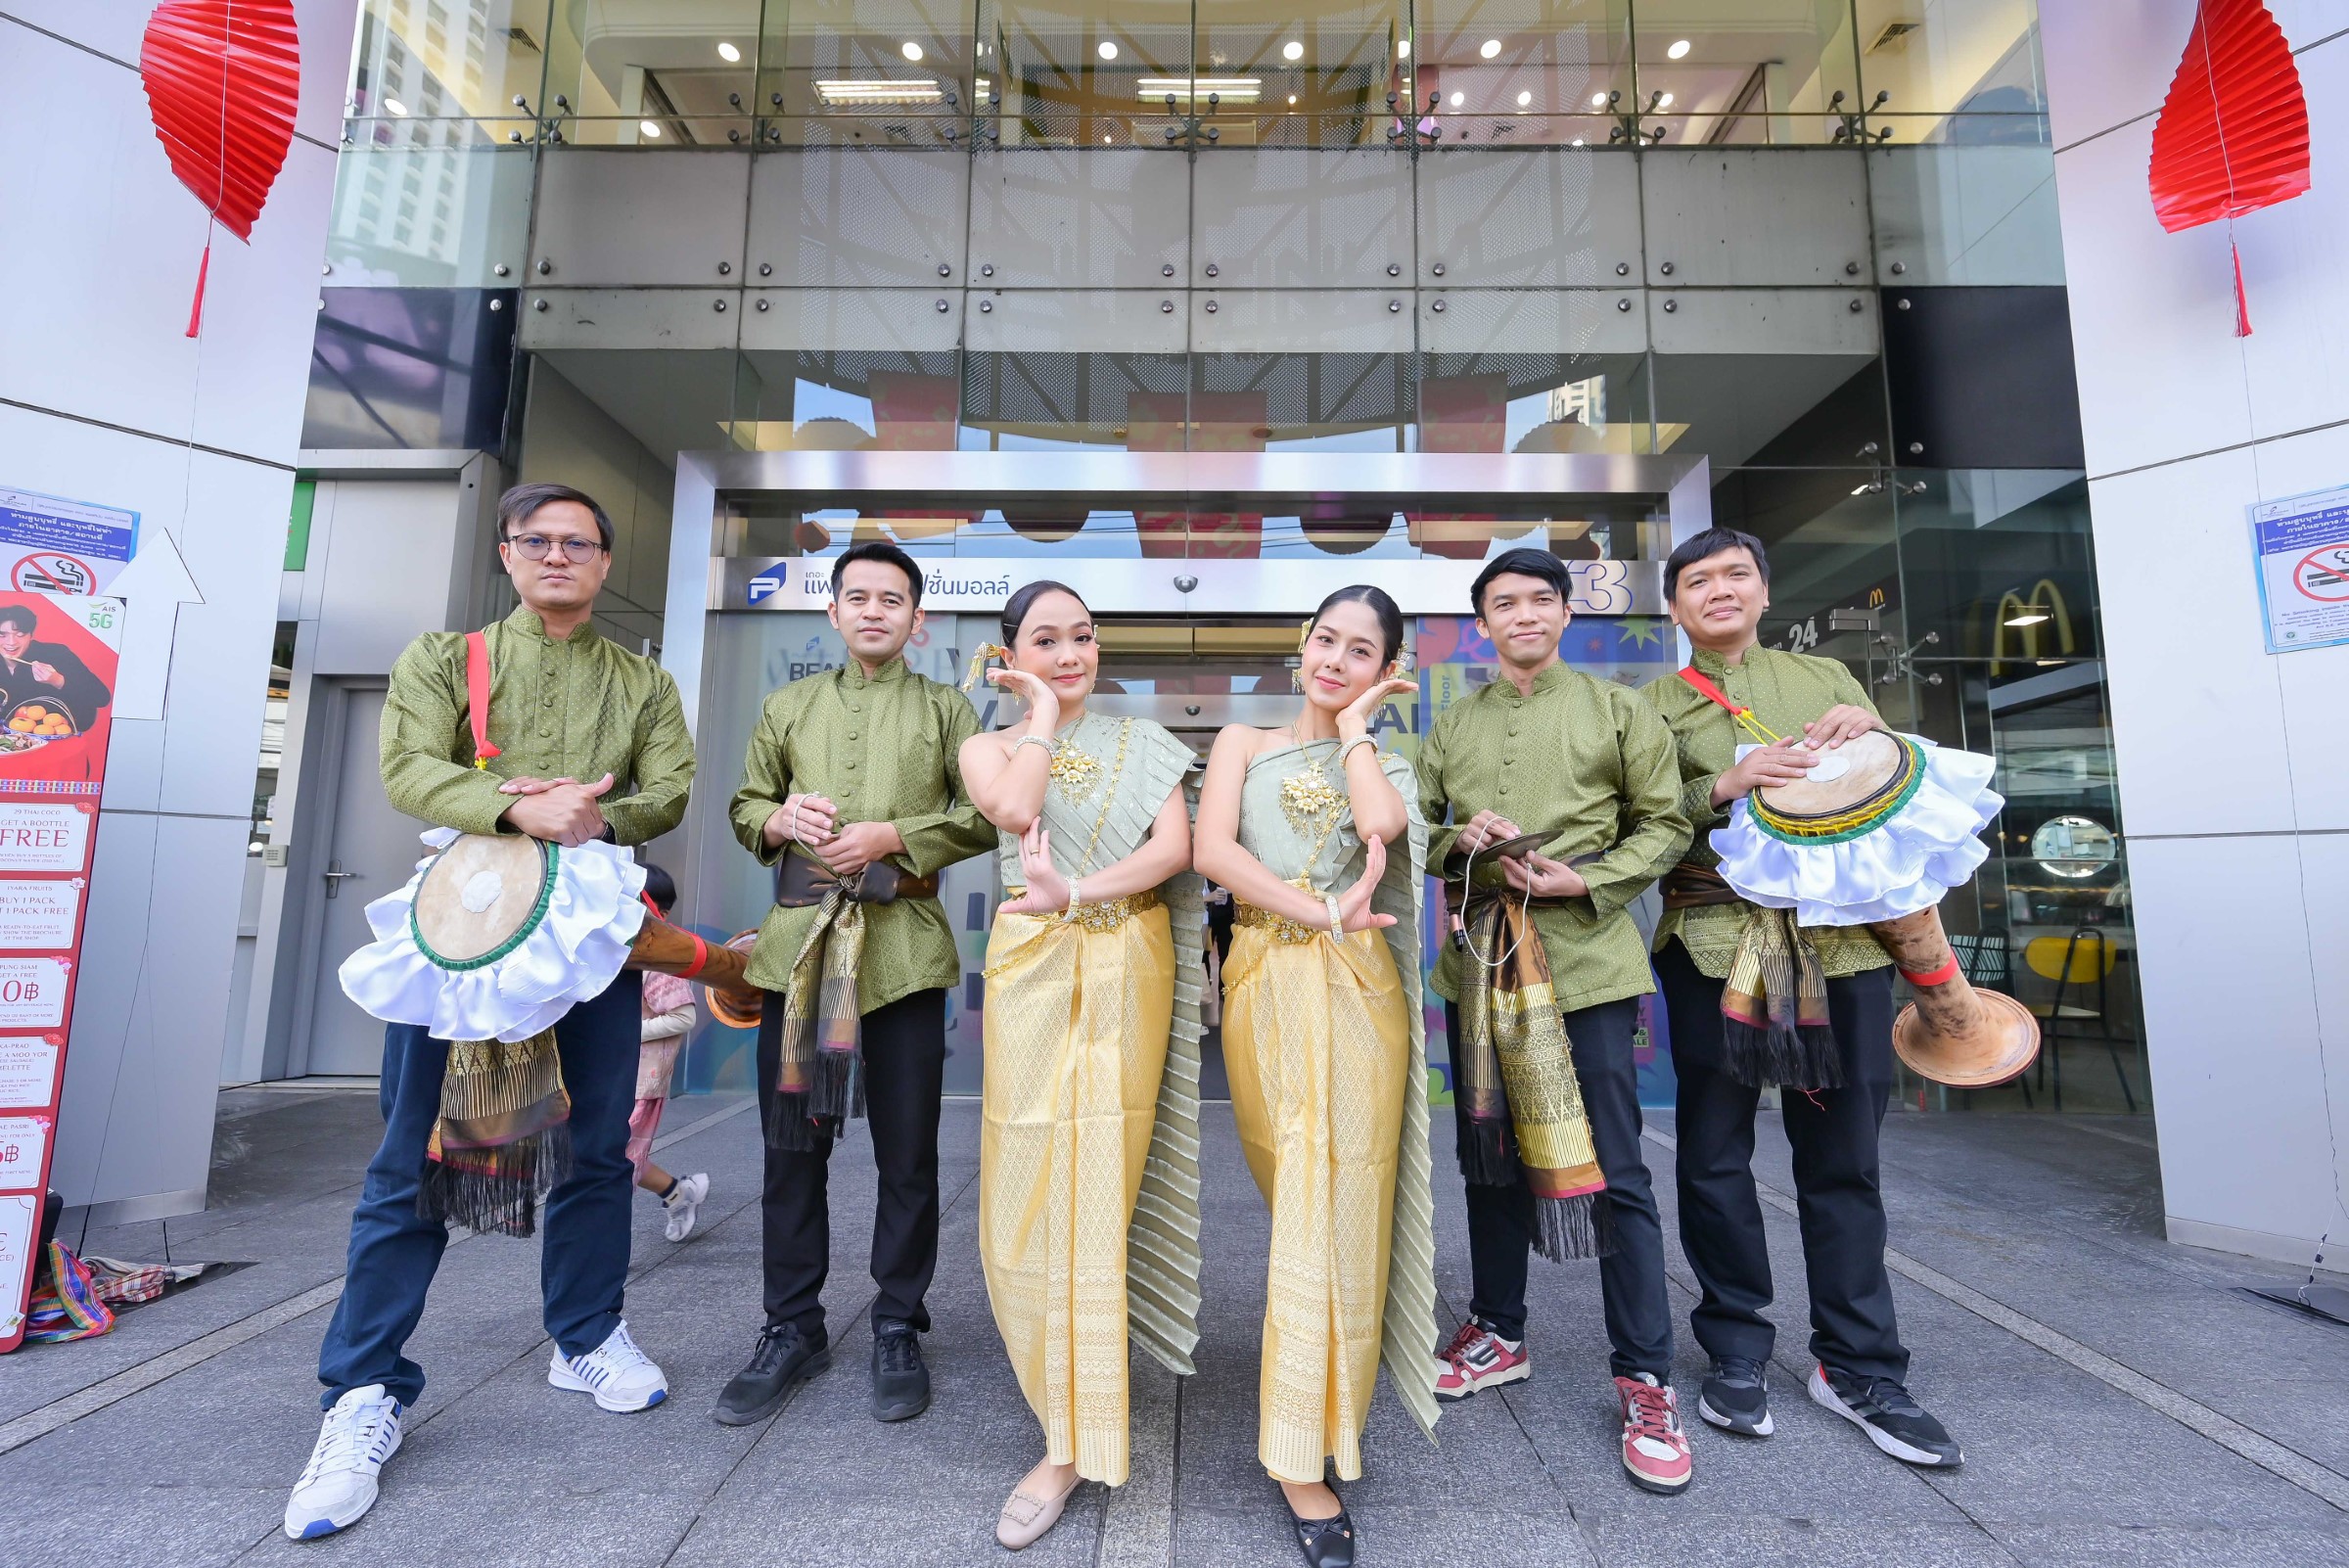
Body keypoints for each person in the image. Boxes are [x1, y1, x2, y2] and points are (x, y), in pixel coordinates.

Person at [284, 483, 697, 1541]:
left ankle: (586, 1335)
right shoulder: (443, 658)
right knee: (415, 1157)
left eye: (579, 543)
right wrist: (518, 804)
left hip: (590, 930)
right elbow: (409, 768)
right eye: (537, 540)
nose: (558, 556)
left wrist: (589, 811)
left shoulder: (643, 681)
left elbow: (669, 790)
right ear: (508, 553)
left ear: (605, 562)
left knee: (598, 1145)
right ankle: (363, 1389)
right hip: (464, 926)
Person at [1639, 527, 1961, 1467]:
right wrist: (1724, 784)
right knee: (1713, 1155)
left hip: (1842, 946)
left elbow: (1892, 796)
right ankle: (1734, 1346)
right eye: (1699, 580)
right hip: (1713, 944)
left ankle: (1858, 1364)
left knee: (1844, 1155)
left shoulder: (1828, 680)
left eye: (1737, 574)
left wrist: (1879, 738)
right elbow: (1638, 820)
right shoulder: (1649, 706)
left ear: (1765, 591)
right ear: (1674, 606)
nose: (1720, 590)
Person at [1416, 546, 1695, 1496]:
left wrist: (1588, 879)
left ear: (1567, 613)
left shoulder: (1620, 709)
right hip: (1483, 963)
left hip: (1587, 963)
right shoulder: (1454, 722)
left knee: (1617, 1167)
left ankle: (1646, 1376)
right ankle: (1499, 1330)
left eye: (1542, 599)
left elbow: (1667, 825)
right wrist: (1458, 840)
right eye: (1505, 603)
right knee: (1489, 1158)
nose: (1525, 614)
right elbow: (1413, 827)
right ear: (1482, 625)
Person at [716, 540, 994, 1430]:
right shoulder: (788, 705)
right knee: (792, 1147)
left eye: (893, 599)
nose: (875, 611)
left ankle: (898, 1321)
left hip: (902, 953)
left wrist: (892, 836)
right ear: (833, 611)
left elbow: (983, 814)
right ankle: (791, 1325)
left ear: (918, 619)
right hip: (799, 956)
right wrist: (778, 818)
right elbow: (744, 804)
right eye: (859, 597)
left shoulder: (948, 709)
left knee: (908, 1154)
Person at [1193, 585, 1439, 1568]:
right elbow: (1212, 851)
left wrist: (1357, 730)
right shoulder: (1241, 743)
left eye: (1361, 652)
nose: (1335, 661)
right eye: (1325, 641)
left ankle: (1309, 1446)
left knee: (1345, 1208)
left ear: (1386, 670)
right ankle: (1311, 1412)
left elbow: (1381, 826)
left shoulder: (1385, 760)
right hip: (1267, 976)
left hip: (1361, 993)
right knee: (1297, 1192)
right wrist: (1317, 910)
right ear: (1301, 644)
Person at [957, 581, 1205, 1549]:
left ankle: (1073, 1437)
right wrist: (1041, 716)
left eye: (1084, 638)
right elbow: (1014, 805)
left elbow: (1174, 850)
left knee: (1104, 1181)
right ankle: (1058, 1403)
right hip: (1032, 968)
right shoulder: (989, 746)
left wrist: (1076, 893)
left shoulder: (1147, 744)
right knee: (1025, 1186)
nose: (1070, 655)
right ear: (1010, 654)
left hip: (1126, 960)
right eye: (1046, 641)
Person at [628, 862, 710, 1243]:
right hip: (613, 1073)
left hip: (641, 1078)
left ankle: (603, 1254)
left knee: (613, 1162)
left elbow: (684, 1016)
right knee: (617, 1156)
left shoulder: (658, 954)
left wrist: (625, 1034)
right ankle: (679, 1194)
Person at [0, 600, 111, 730]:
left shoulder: (56, 654)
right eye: (2, 635)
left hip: (57, 734)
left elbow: (101, 697)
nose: (11, 642)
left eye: (20, 635)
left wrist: (58, 681)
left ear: (31, 635)